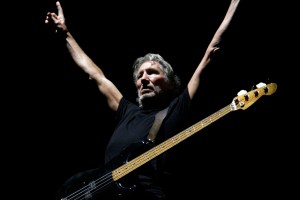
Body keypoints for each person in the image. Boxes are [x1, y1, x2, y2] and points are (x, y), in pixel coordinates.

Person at [45, 0, 241, 199]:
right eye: (140, 76)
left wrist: (234, 4)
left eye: (152, 73)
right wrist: (65, 34)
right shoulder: (126, 111)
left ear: (171, 83)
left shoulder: (177, 108)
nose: (144, 78)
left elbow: (211, 53)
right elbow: (95, 75)